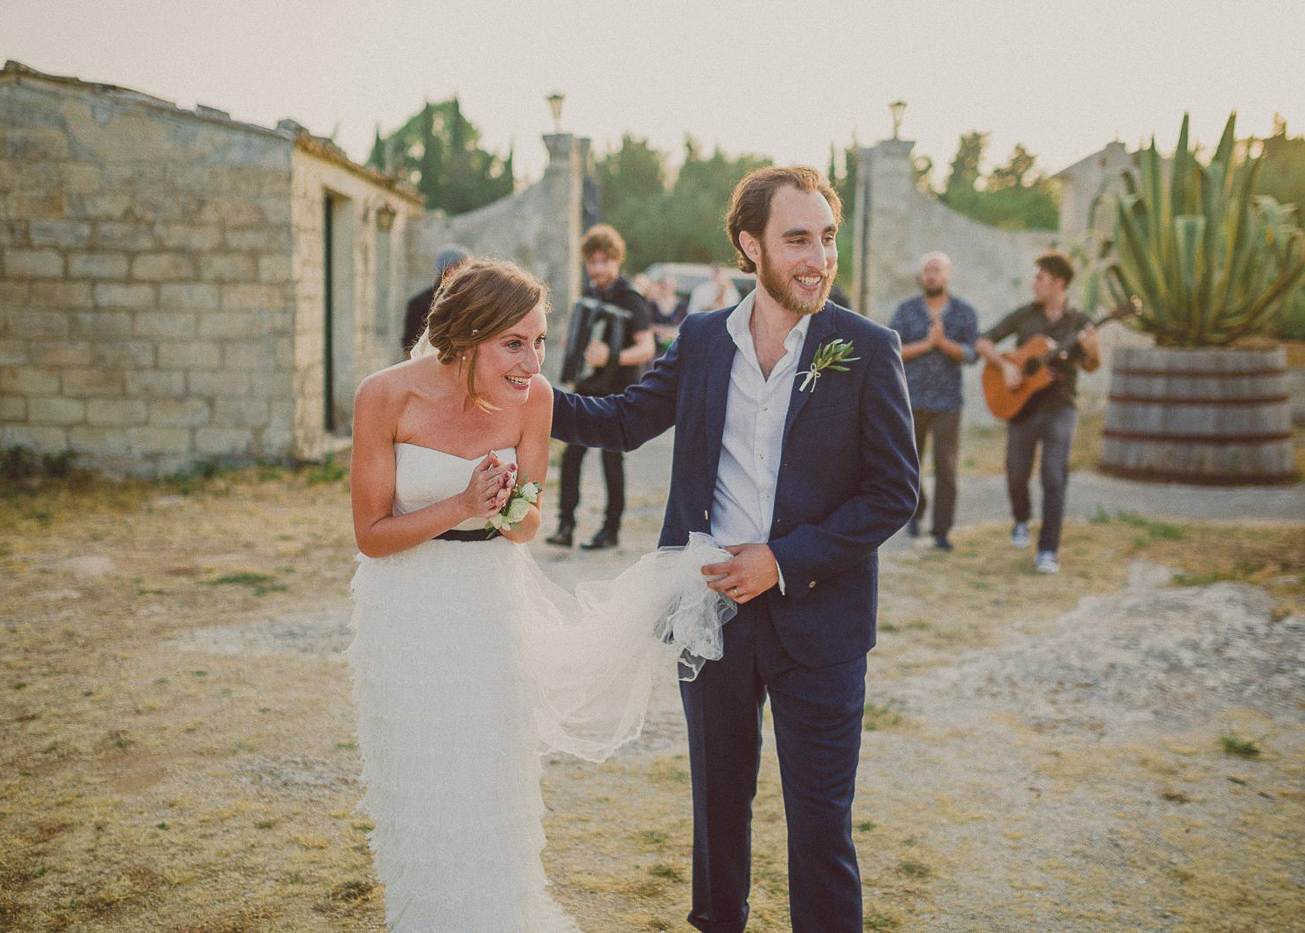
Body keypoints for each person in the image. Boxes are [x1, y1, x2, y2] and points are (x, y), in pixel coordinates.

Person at [552, 166, 919, 932]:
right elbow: (624, 420)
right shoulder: (701, 339)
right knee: (718, 807)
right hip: (708, 609)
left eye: (826, 238)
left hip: (821, 622)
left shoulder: (867, 348)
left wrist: (782, 559)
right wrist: (525, 392)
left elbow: (893, 493)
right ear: (750, 245)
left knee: (821, 823)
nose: (818, 257)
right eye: (797, 240)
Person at [347, 259, 735, 931]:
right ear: (468, 336)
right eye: (515, 343)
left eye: (540, 340)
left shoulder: (536, 399)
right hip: (402, 609)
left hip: (488, 605)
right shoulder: (385, 396)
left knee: (489, 773)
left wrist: (501, 509)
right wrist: (462, 502)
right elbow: (371, 533)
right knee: (420, 778)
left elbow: (526, 523)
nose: (534, 360)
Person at [975, 250, 1101, 575]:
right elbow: (983, 342)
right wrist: (1004, 366)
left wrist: (1092, 350)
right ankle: (1021, 519)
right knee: (1016, 473)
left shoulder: (1079, 322)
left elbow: (1091, 365)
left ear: (1058, 283)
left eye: (1040, 278)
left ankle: (1048, 550)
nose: (1034, 283)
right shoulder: (1025, 315)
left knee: (1054, 476)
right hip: (1022, 408)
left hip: (1060, 407)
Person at [546, 224, 655, 550]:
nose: (598, 269)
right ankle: (565, 526)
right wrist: (574, 352)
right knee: (571, 456)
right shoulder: (588, 297)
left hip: (619, 391)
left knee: (611, 460)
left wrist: (611, 355)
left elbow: (647, 348)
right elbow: (577, 339)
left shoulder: (631, 299)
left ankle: (610, 530)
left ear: (616, 261)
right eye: (592, 262)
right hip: (587, 388)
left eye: (604, 262)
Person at [888, 251, 978, 551]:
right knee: (909, 464)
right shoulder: (907, 309)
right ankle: (915, 512)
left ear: (947, 275)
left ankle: (942, 530)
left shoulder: (964, 312)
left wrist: (944, 345)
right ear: (921, 276)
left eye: (936, 270)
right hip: (911, 400)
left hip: (948, 404)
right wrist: (927, 345)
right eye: (927, 270)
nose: (931, 275)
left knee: (946, 468)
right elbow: (892, 350)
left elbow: (971, 353)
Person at [400, 244, 469, 354]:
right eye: (467, 266)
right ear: (451, 269)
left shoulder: (416, 302)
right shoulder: (461, 301)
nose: (470, 272)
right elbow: (410, 345)